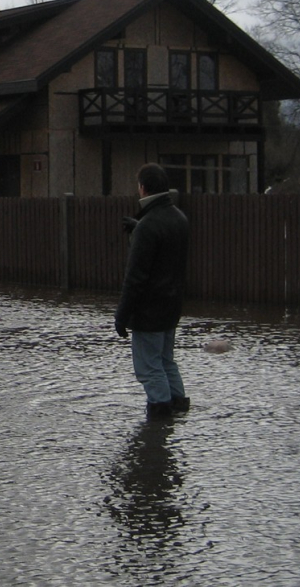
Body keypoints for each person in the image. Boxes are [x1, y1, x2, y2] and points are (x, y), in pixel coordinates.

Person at [114, 163, 190, 418]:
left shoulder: (148, 226)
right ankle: (179, 411)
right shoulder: (179, 218)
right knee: (166, 361)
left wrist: (122, 315)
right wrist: (139, 227)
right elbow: (165, 253)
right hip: (171, 307)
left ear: (143, 188)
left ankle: (158, 425)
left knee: (149, 368)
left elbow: (135, 278)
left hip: (149, 312)